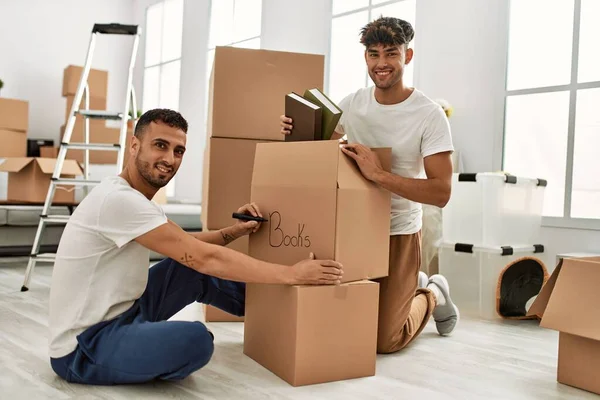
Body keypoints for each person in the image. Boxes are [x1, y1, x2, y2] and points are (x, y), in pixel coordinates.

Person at [48, 109, 343, 385]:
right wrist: (291, 273)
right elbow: (204, 257)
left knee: (189, 269)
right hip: (85, 346)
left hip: (127, 311)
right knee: (196, 339)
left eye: (178, 151)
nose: (170, 158)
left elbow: (186, 245)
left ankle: (274, 318)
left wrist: (233, 232)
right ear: (134, 145)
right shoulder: (119, 200)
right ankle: (133, 355)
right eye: (160, 145)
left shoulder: (133, 197)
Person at [280, 16, 459, 354]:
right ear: (365, 58)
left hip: (399, 231)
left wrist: (379, 176)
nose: (381, 64)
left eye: (391, 53)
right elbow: (314, 158)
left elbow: (441, 193)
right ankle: (411, 287)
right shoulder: (351, 105)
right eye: (373, 54)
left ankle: (431, 292)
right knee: (346, 325)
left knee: (384, 341)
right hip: (355, 229)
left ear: (407, 56)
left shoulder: (428, 114)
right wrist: (295, 132)